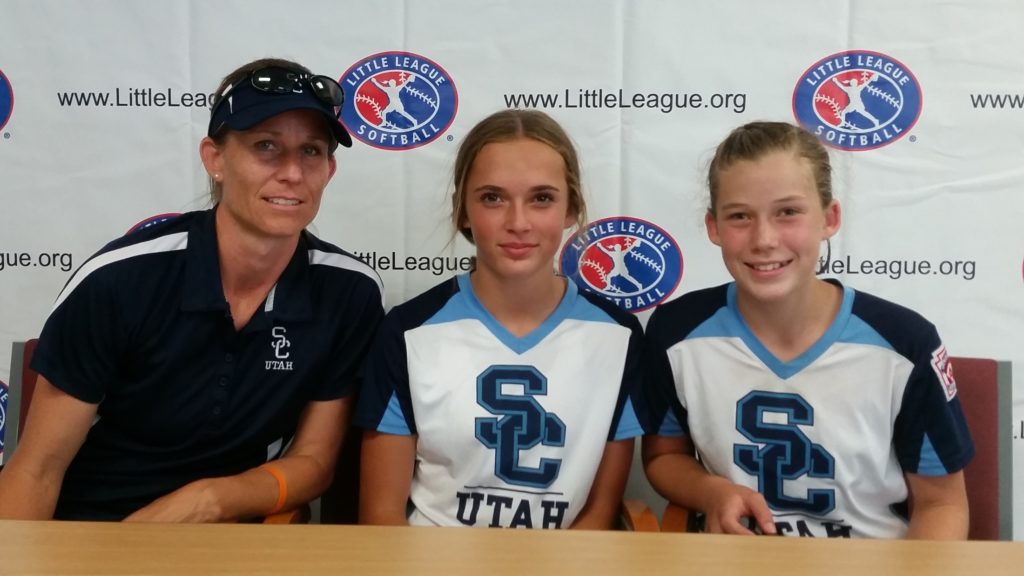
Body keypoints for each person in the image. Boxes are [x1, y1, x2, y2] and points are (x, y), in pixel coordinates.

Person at [0, 57, 384, 522]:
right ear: (215, 158)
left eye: (311, 151)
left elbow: (315, 463)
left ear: (329, 170)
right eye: (266, 147)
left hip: (236, 529)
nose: (292, 173)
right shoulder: (121, 278)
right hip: (95, 531)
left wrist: (208, 499)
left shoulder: (349, 291)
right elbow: (37, 470)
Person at [642, 121, 974, 539]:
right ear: (714, 228)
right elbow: (663, 458)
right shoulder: (675, 331)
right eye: (740, 216)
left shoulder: (906, 344)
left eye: (788, 212)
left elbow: (941, 502)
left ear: (829, 218)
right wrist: (711, 492)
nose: (764, 239)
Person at [355, 109, 644, 529]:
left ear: (570, 209)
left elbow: (598, 515)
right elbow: (381, 518)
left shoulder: (618, 336)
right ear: (464, 211)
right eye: (492, 197)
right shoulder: (408, 332)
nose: (518, 222)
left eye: (541, 198)